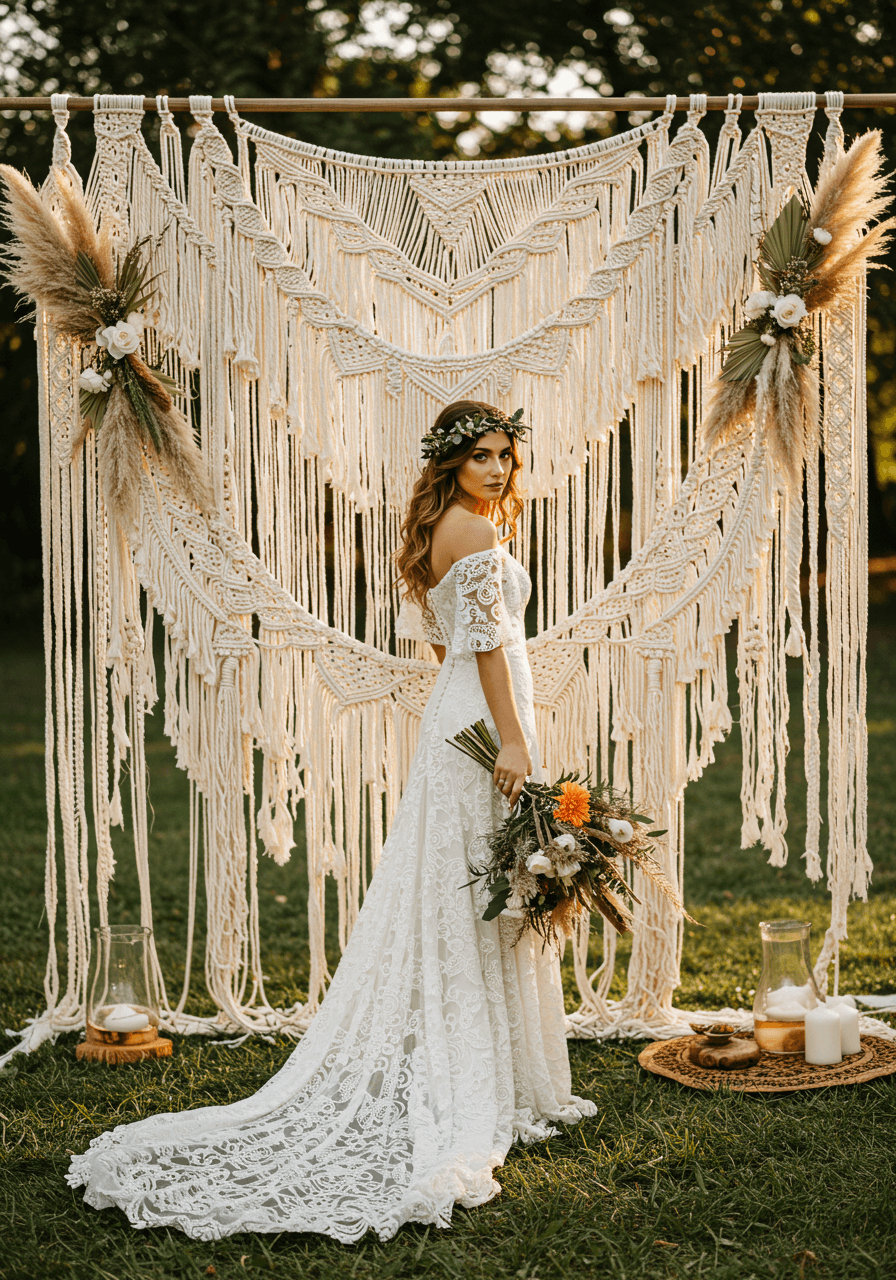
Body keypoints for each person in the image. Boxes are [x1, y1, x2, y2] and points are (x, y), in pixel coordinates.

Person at [67, 400, 595, 1243]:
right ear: (451, 464)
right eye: (483, 456)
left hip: (455, 718)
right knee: (479, 887)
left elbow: (446, 642)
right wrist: (518, 741)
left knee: (472, 886)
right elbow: (491, 651)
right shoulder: (479, 535)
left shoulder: (441, 533)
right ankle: (480, 1080)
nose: (499, 469)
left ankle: (486, 1065)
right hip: (487, 722)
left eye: (507, 456)